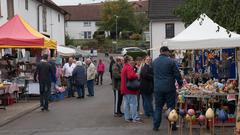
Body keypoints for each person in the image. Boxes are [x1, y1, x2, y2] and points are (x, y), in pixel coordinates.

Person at [153, 46, 183, 131]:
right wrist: (180, 83)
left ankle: (156, 126)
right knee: (171, 107)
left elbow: (153, 74)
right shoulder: (171, 61)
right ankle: (172, 125)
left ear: (160, 52)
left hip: (158, 88)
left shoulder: (154, 62)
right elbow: (177, 74)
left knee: (158, 107)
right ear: (166, 52)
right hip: (169, 87)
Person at [121, 55, 142, 123]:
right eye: (131, 59)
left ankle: (127, 117)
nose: (132, 61)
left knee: (126, 103)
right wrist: (136, 75)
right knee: (133, 103)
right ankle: (134, 118)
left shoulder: (124, 67)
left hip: (124, 88)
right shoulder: (129, 67)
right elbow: (130, 76)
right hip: (130, 88)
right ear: (128, 61)